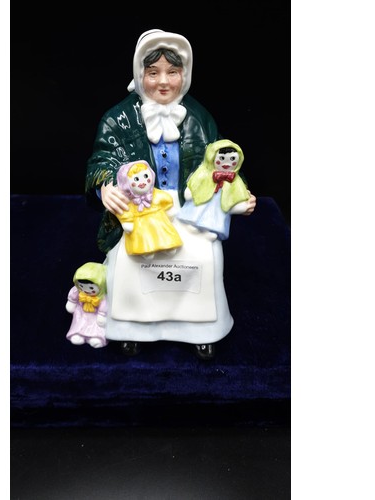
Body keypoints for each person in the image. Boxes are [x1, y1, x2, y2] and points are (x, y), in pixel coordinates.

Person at [85, 29, 256, 360]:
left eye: (172, 72)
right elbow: (102, 160)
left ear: (184, 75)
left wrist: (240, 194)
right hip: (139, 206)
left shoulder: (199, 117)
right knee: (129, 260)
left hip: (189, 206)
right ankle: (131, 329)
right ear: (140, 74)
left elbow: (224, 159)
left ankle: (201, 330)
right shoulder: (118, 118)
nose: (163, 82)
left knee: (204, 256)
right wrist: (106, 186)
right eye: (153, 73)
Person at [176, 139, 250, 241]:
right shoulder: (204, 172)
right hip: (202, 196)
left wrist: (240, 204)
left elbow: (239, 192)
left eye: (232, 159)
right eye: (222, 158)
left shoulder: (235, 180)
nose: (226, 163)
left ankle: (210, 231)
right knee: (197, 210)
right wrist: (190, 191)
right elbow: (195, 181)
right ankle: (191, 224)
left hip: (221, 202)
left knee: (216, 216)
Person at [115, 160, 182, 259]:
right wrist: (127, 222)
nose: (142, 182)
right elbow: (124, 210)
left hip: (159, 221)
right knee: (144, 238)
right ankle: (145, 250)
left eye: (146, 176)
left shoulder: (156, 194)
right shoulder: (129, 201)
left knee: (163, 233)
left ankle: (168, 245)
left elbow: (165, 199)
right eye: (136, 179)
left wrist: (169, 210)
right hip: (140, 225)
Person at [65, 262, 108, 348]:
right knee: (79, 322)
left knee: (96, 326)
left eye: (91, 288)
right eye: (81, 286)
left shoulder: (103, 297)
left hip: (95, 314)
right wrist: (71, 302)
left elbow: (104, 306)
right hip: (81, 312)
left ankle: (97, 337)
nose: (86, 290)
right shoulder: (77, 291)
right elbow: (73, 296)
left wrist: (102, 315)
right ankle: (78, 334)